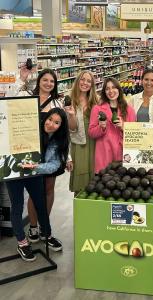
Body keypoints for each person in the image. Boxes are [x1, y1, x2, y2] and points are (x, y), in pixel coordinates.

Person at [7, 107, 69, 260]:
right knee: (17, 206)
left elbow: (54, 165)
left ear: (61, 126)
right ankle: (22, 242)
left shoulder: (57, 141)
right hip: (14, 172)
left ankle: (46, 234)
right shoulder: (30, 129)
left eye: (56, 123)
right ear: (44, 118)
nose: (51, 124)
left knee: (40, 203)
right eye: (49, 120)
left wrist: (36, 167)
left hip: (34, 172)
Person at [22, 69, 72, 243]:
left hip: (51, 152)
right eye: (45, 80)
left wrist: (68, 157)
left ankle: (45, 225)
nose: (48, 84)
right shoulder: (27, 97)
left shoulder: (57, 103)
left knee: (48, 189)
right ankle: (33, 228)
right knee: (33, 190)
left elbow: (63, 133)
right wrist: (22, 79)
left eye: (52, 81)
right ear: (39, 81)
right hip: (31, 151)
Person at [89, 77, 136, 174]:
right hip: (104, 155)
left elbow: (135, 135)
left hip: (123, 155)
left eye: (114, 87)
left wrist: (123, 127)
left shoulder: (129, 110)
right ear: (104, 92)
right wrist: (101, 127)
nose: (111, 91)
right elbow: (91, 133)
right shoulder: (97, 109)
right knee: (104, 186)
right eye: (107, 88)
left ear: (119, 89)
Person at [64, 71, 98, 194]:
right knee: (81, 183)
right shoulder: (70, 101)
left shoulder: (96, 101)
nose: (85, 83)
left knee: (95, 179)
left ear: (92, 85)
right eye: (83, 79)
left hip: (95, 144)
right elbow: (71, 129)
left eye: (89, 81)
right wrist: (72, 115)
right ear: (78, 80)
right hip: (79, 146)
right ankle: (81, 209)